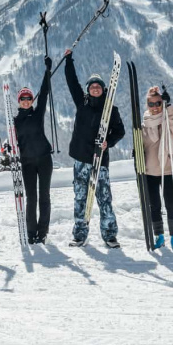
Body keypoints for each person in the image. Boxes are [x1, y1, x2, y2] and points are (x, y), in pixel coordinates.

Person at [63, 48, 125, 248]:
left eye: (98, 86)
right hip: (81, 159)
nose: (95, 89)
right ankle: (80, 234)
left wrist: (109, 142)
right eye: (92, 87)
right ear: (88, 89)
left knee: (104, 198)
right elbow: (72, 82)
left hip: (101, 161)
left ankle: (109, 234)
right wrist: (68, 60)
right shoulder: (82, 104)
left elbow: (120, 131)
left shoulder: (111, 109)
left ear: (103, 89)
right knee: (81, 198)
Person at [12, 56, 54, 244]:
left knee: (44, 196)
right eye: (23, 99)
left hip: (44, 159)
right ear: (19, 101)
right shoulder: (14, 121)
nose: (27, 101)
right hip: (27, 162)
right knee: (31, 198)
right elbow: (12, 143)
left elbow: (44, 93)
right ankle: (31, 232)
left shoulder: (37, 114)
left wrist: (47, 72)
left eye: (29, 98)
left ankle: (42, 232)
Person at [141, 86, 173, 253]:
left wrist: (169, 105)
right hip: (150, 171)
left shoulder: (168, 118)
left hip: (167, 169)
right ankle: (159, 235)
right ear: (147, 105)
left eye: (158, 103)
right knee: (154, 205)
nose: (155, 107)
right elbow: (141, 144)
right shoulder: (144, 123)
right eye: (151, 104)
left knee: (171, 204)